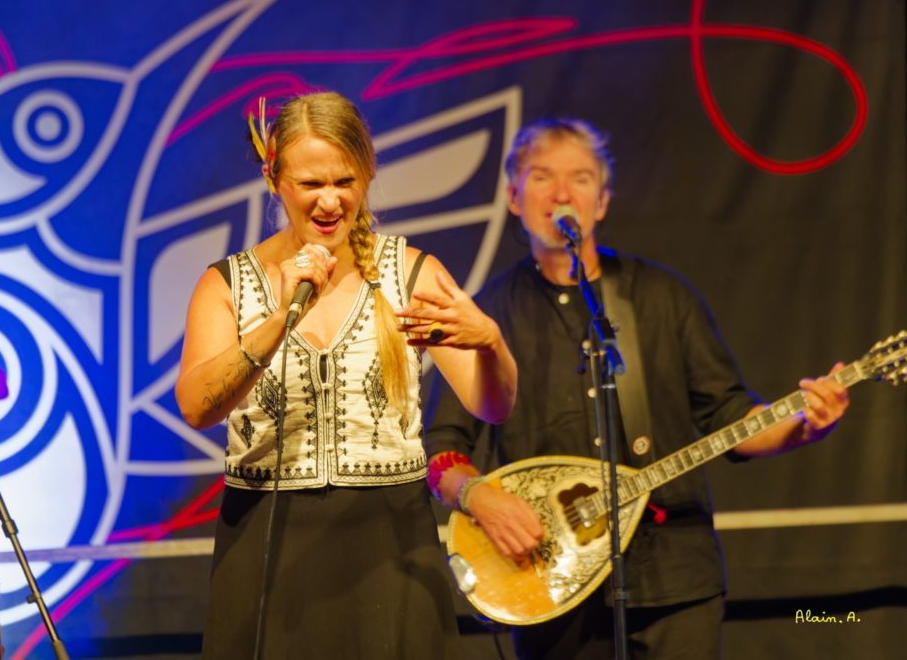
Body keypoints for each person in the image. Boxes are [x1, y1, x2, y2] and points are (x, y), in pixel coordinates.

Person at [423, 118, 850, 659]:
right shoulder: (486, 314)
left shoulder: (663, 299)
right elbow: (442, 449)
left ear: (600, 202)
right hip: (546, 579)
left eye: (580, 179)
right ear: (512, 196)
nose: (561, 194)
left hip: (674, 574)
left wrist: (803, 424)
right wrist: (478, 496)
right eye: (541, 178)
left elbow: (731, 418)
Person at [174, 91, 517, 659]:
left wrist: (492, 345)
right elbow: (197, 405)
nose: (331, 201)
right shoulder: (228, 284)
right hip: (268, 543)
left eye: (345, 181)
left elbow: (493, 405)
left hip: (387, 543)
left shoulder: (408, 272)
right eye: (311, 184)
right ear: (273, 177)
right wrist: (280, 319)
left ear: (367, 174)